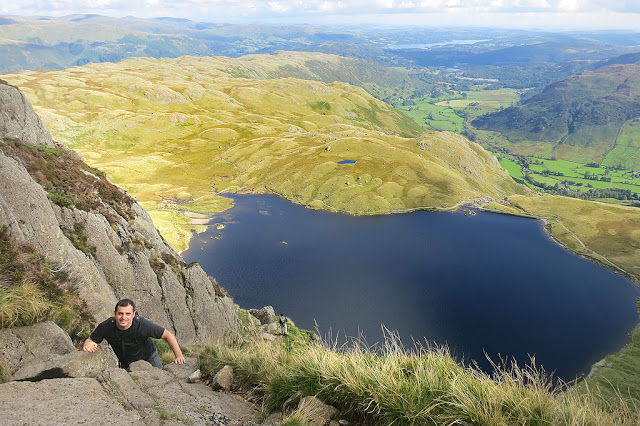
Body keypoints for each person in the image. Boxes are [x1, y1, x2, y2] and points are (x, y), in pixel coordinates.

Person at [83, 298, 186, 370]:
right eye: (120, 313)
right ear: (115, 314)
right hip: (126, 361)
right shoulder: (107, 326)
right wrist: (87, 344)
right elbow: (91, 340)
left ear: (133, 314)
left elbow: (168, 335)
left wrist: (179, 356)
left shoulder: (142, 325)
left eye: (127, 314)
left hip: (149, 357)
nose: (123, 317)